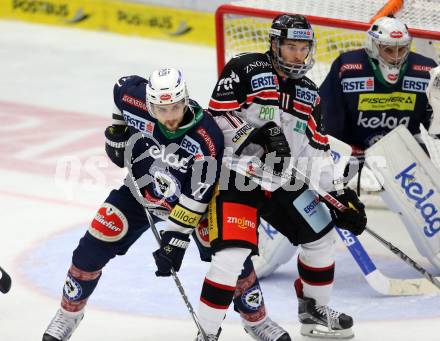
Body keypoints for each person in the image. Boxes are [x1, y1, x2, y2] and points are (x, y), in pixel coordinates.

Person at [194, 14, 367, 341]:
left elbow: (316, 150)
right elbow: (216, 117)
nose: (298, 55)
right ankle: (206, 332)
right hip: (238, 176)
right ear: (274, 44)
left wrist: (341, 197)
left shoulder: (310, 94)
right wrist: (254, 135)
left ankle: (313, 312)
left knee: (322, 237)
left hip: (284, 181)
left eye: (303, 48)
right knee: (231, 257)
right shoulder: (245, 68)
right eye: (290, 47)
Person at [41, 68, 226, 340]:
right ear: (149, 104)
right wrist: (117, 130)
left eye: (176, 107)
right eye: (161, 110)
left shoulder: (206, 136)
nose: (170, 116)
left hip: (193, 207)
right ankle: (68, 315)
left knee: (230, 260)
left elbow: (197, 196)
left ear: (185, 100)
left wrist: (174, 241)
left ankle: (255, 320)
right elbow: (120, 88)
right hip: (139, 194)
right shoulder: (134, 98)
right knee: (89, 250)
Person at [252, 15, 440, 280]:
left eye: (401, 48)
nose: (396, 56)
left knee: (425, 196)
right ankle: (265, 253)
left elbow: (435, 125)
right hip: (348, 148)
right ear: (374, 47)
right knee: (307, 196)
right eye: (388, 48)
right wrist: (329, 163)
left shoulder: (427, 70)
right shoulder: (348, 67)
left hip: (398, 149)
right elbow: (323, 119)